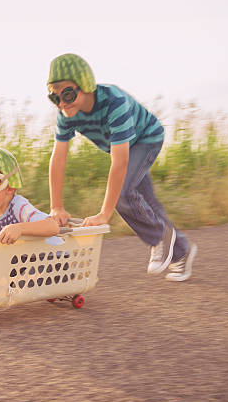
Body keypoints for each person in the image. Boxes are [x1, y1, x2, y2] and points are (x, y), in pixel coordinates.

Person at [46, 53, 196, 281]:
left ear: (85, 84)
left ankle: (160, 239)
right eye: (55, 98)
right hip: (123, 147)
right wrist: (56, 206)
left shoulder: (114, 102)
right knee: (147, 205)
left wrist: (104, 214)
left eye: (67, 93)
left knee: (124, 195)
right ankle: (181, 250)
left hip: (146, 139)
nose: (62, 103)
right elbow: (58, 158)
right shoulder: (66, 114)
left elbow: (120, 162)